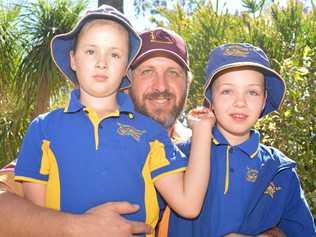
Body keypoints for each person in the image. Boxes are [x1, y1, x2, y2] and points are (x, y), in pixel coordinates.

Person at [0, 28, 286, 237]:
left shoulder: (214, 149)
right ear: (128, 79)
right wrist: (74, 226)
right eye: (147, 71)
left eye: (173, 73)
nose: (161, 85)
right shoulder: (63, 133)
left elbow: (281, 219)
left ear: (189, 85)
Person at [14, 5, 215, 237]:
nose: (102, 62)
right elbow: (38, 222)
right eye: (91, 51)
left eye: (115, 54)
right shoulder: (44, 129)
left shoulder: (152, 135)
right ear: (73, 59)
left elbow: (189, 205)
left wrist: (201, 131)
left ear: (125, 69)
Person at [165, 43, 316, 237]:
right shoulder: (178, 156)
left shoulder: (280, 170)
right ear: (211, 98)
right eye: (227, 91)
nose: (240, 102)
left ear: (263, 100)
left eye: (252, 92)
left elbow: (301, 231)